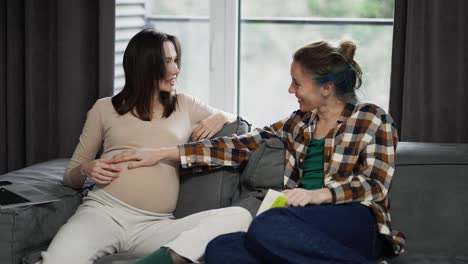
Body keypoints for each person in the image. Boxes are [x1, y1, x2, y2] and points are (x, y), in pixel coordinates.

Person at [111, 39, 407, 263]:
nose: (291, 91)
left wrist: (318, 195)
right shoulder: (298, 123)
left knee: (267, 225)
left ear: (326, 88)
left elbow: (375, 184)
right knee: (219, 249)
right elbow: (240, 145)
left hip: (354, 220)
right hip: (301, 227)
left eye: (297, 83)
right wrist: (165, 153)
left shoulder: (372, 118)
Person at [40, 28, 252, 264]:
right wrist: (87, 168)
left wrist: (220, 115)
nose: (176, 69)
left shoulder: (185, 104)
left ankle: (157, 260)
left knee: (240, 216)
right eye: (167, 62)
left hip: (156, 226)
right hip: (103, 213)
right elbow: (71, 177)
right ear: (144, 66)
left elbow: (240, 122)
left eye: (176, 60)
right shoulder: (103, 109)